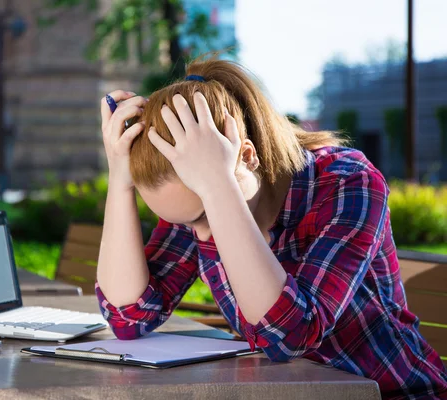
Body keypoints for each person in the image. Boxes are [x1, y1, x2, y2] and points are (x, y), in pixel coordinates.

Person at [94, 58, 447, 399]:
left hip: (394, 392)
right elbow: (128, 318)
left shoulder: (348, 183)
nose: (202, 234)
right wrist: (120, 181)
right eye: (187, 223)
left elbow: (289, 336)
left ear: (246, 156)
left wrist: (219, 189)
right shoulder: (193, 204)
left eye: (203, 216)